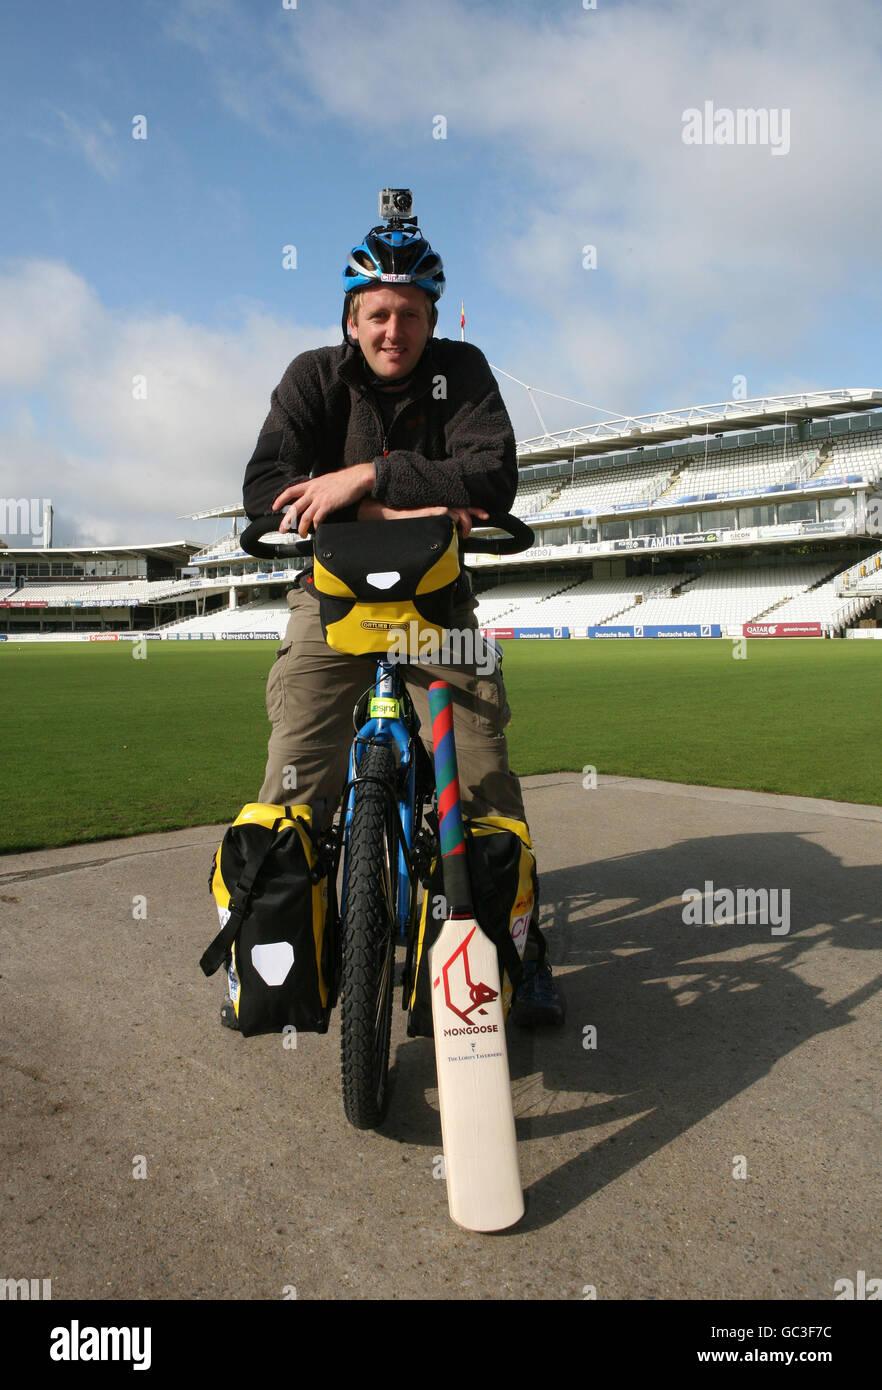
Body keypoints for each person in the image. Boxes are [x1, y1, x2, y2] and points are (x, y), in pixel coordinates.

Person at [237, 204, 563, 1028]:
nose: (393, 330)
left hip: (437, 608)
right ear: (351, 319)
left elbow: (491, 481)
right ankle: (279, 959)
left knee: (485, 780)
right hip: (332, 605)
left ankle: (521, 956)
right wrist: (414, 501)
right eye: (377, 314)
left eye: (409, 314)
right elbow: (264, 493)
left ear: (430, 317)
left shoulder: (467, 370)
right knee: (293, 777)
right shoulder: (312, 377)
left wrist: (359, 479)